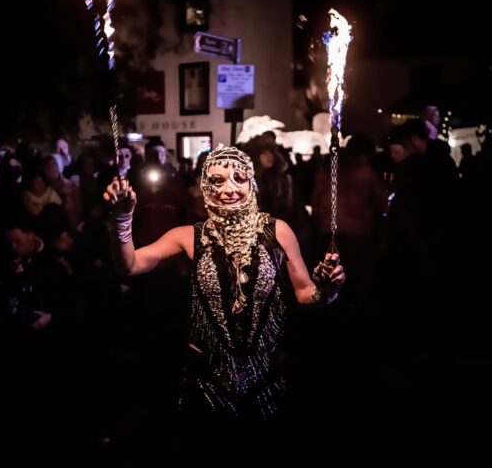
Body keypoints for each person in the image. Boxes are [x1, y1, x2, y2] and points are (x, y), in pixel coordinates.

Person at [103, 145, 345, 457]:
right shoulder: (188, 235)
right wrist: (122, 218)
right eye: (217, 181)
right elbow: (130, 265)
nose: (229, 188)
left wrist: (327, 290)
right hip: (207, 381)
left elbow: (304, 293)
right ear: (204, 188)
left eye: (239, 178)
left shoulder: (277, 231)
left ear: (251, 185)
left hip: (266, 378)